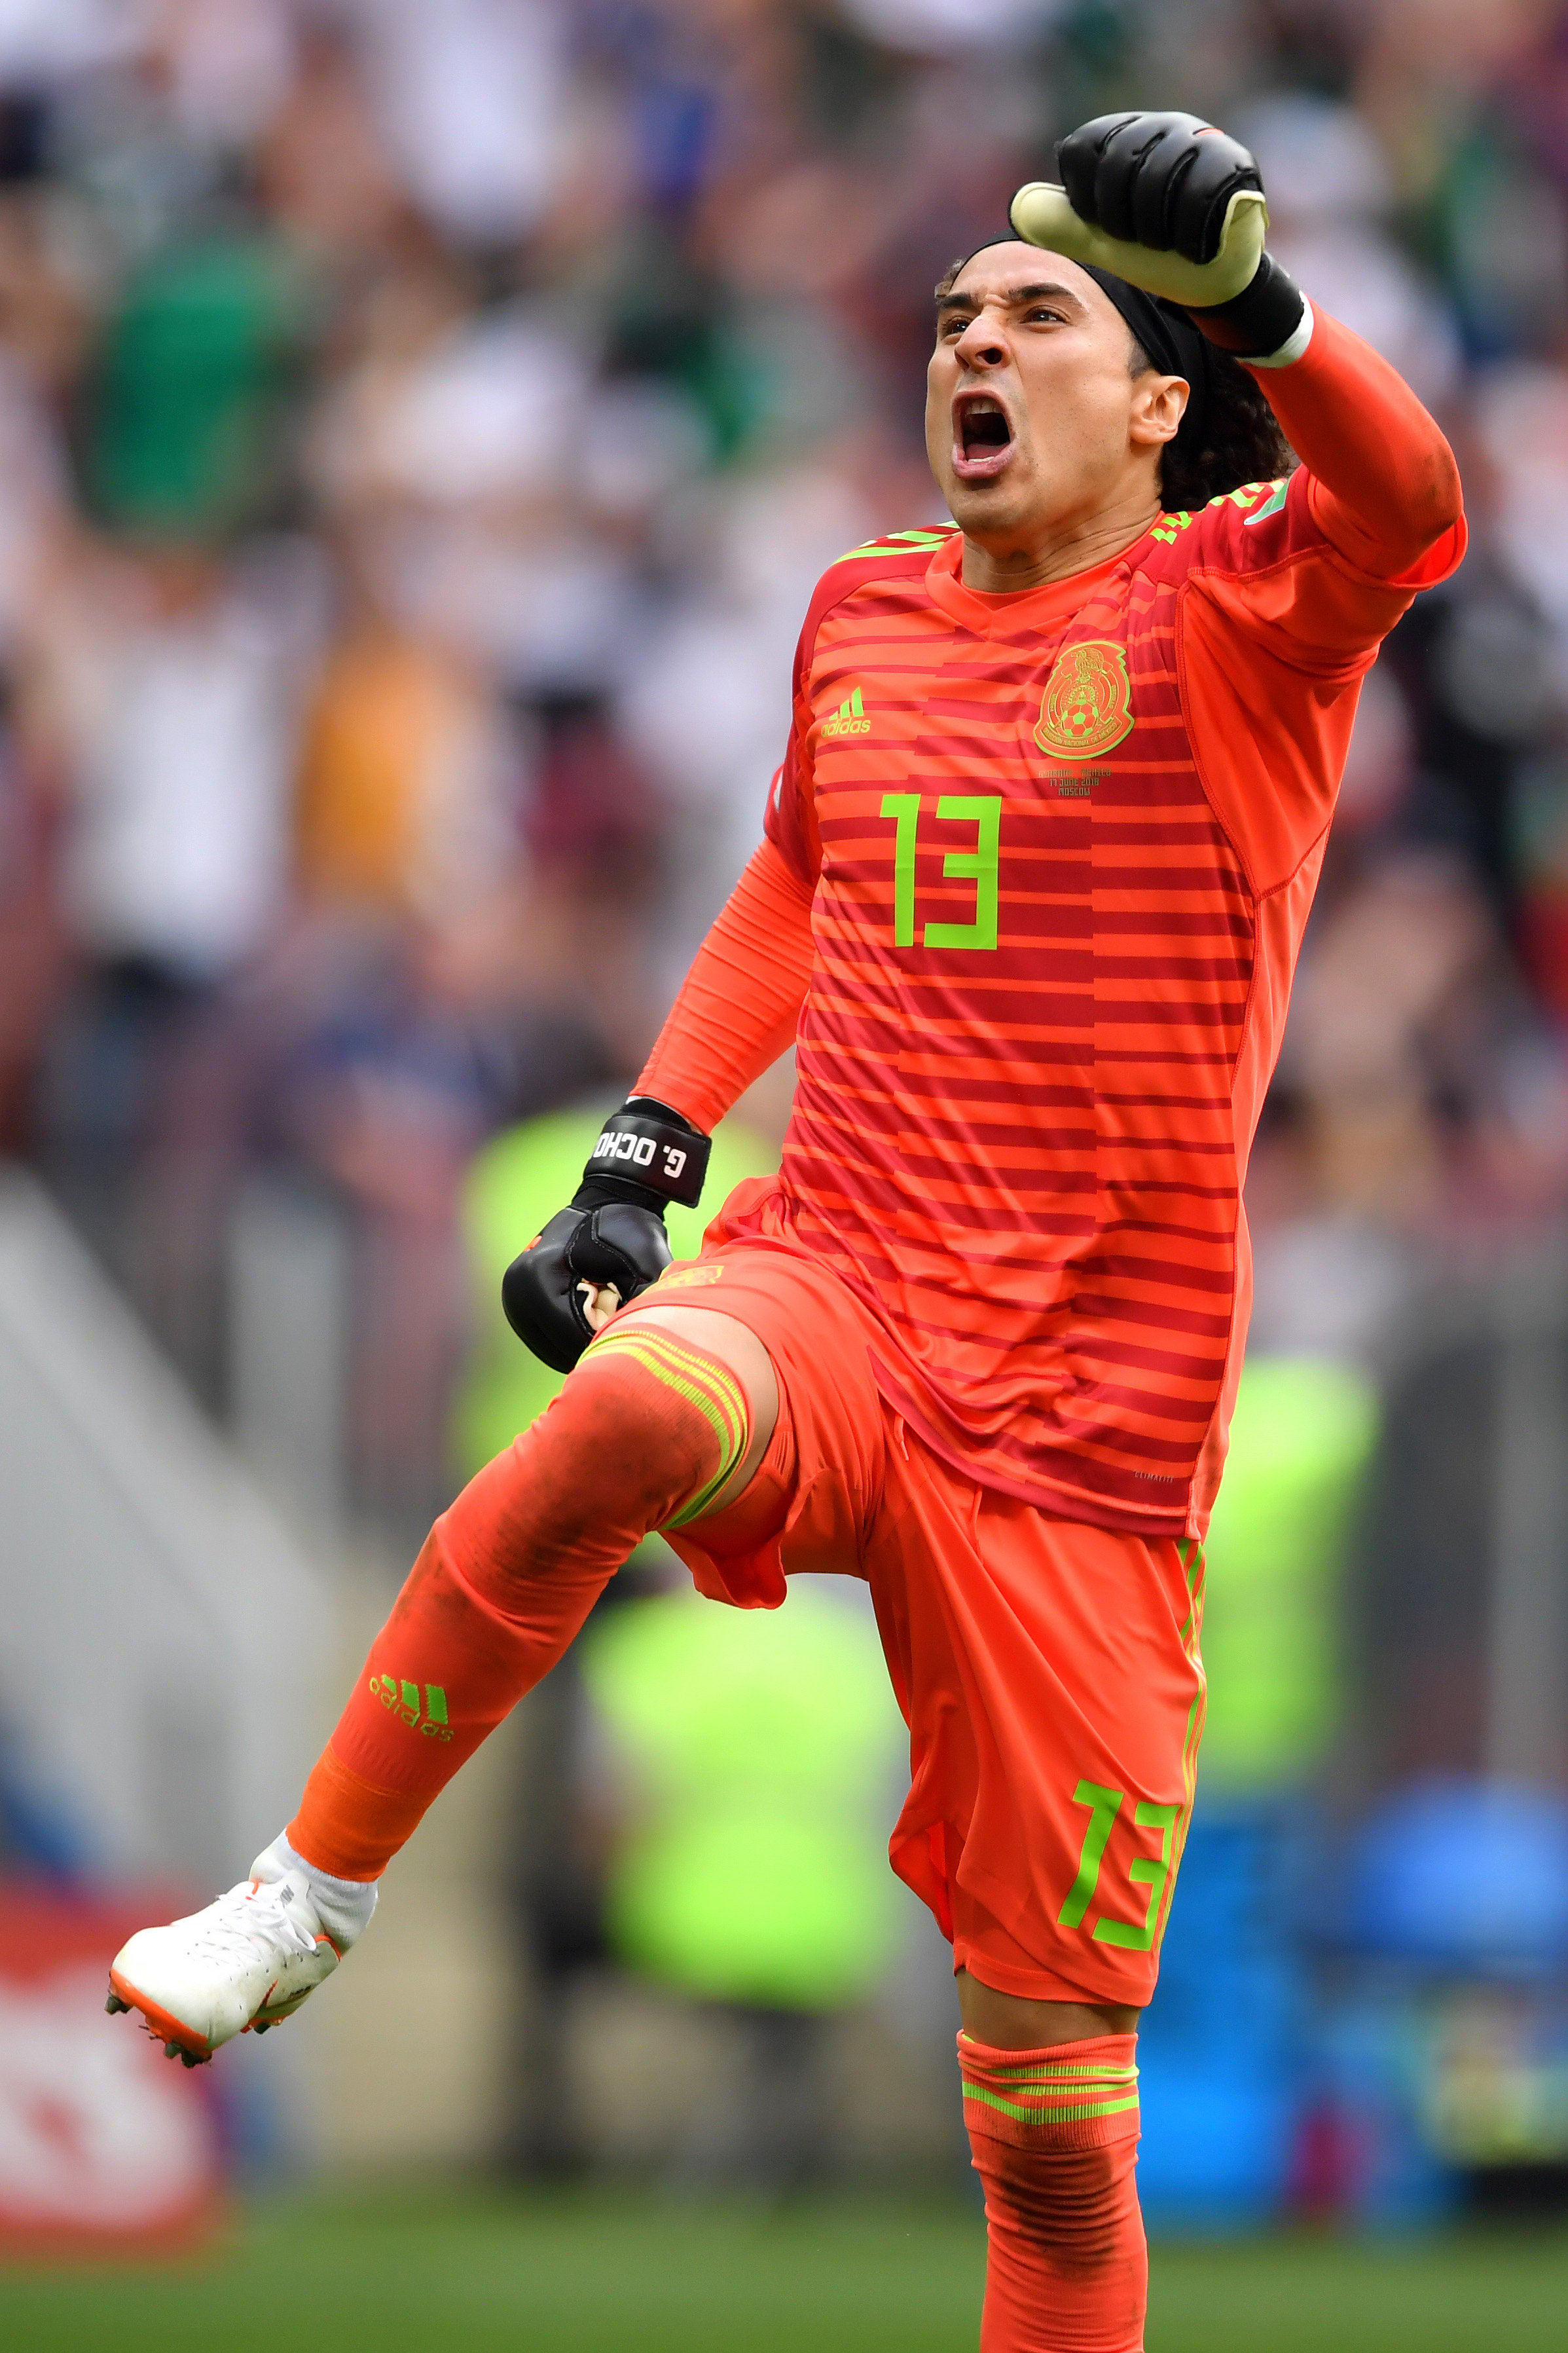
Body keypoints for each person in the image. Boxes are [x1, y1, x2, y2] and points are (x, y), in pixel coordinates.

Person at [107, 113, 1464, 2352]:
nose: (973, 346)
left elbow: (1409, 508)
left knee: (1048, 2130)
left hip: (1089, 1446)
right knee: (625, 1418)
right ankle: (302, 1890)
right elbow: (798, 870)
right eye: (950, 320)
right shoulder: (857, 610)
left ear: (1153, 401)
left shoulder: (1236, 606)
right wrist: (647, 1146)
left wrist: (1259, 307)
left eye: (1034, 316)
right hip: (843, 1269)